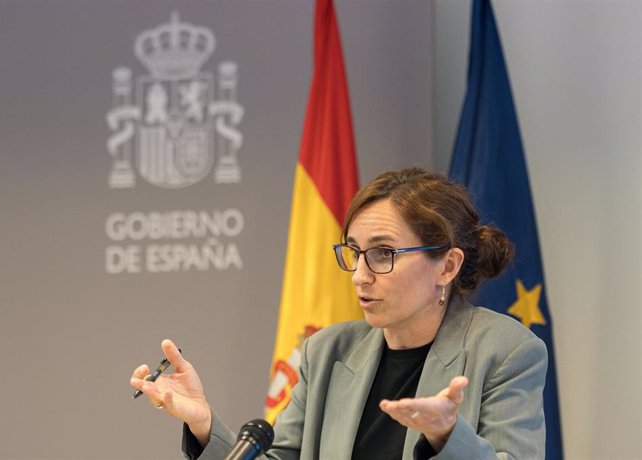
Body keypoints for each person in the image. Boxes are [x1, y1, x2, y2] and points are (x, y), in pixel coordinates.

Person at [130, 167, 547, 459]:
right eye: (354, 253)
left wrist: (445, 436)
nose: (360, 276)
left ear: (448, 266)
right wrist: (204, 424)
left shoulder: (505, 351)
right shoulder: (328, 351)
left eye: (383, 254)